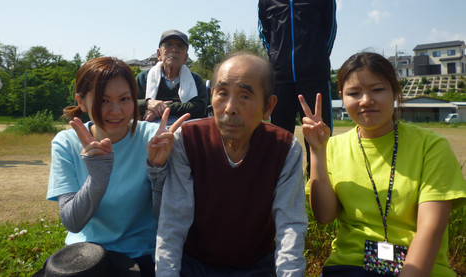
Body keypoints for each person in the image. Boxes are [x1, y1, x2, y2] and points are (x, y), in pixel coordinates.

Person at [299, 52, 466, 276]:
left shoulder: (431, 147)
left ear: (395, 91)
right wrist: (317, 151)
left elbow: (430, 229)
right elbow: (324, 216)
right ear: (341, 96)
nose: (366, 100)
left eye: (377, 90)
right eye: (354, 93)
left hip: (420, 268)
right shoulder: (334, 147)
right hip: (350, 266)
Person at [149, 52, 308, 276]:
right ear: (211, 95)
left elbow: (290, 226)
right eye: (222, 93)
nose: (230, 108)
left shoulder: (283, 147)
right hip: (195, 263)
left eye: (244, 96)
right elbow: (173, 221)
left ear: (268, 106)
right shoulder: (188, 140)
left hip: (256, 264)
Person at [41, 57, 188, 276]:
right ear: (81, 101)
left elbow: (164, 216)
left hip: (143, 255)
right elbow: (73, 222)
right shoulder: (66, 143)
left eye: (125, 99)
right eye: (104, 101)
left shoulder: (155, 139)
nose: (116, 111)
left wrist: (157, 169)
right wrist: (97, 179)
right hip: (85, 257)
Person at [258, 0, 337, 174]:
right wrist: (276, 58)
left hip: (314, 77)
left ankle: (317, 186)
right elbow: (264, 32)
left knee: (318, 134)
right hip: (279, 78)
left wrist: (318, 59)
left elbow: (330, 30)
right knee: (278, 138)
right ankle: (280, 185)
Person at [136, 29, 208, 125]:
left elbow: (200, 108)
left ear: (185, 58)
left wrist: (163, 108)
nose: (174, 50)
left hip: (186, 130)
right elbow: (129, 103)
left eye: (180, 46)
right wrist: (148, 104)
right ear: (159, 54)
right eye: (169, 45)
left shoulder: (196, 80)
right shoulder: (143, 78)